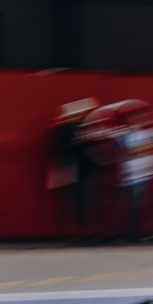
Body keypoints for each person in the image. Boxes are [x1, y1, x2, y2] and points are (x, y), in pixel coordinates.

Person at [48, 98, 99, 238]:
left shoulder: (83, 128)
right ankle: (69, 233)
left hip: (82, 171)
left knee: (82, 202)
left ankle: (82, 232)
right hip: (69, 170)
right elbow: (56, 149)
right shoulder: (62, 130)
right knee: (72, 203)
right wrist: (77, 142)